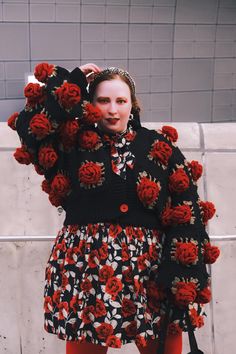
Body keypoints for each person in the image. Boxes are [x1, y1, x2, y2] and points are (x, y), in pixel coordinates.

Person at [8, 62, 220, 354]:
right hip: (86, 272)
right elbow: (29, 129)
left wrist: (181, 276)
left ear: (132, 105)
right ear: (90, 103)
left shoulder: (160, 147)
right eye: (103, 100)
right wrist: (73, 81)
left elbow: (188, 208)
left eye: (121, 101)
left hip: (151, 274)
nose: (112, 109)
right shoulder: (70, 144)